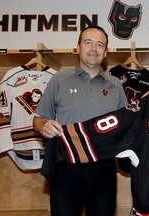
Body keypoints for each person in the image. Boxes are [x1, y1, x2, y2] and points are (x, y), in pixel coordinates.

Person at [33, 25, 127, 216]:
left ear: (106, 52)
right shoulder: (58, 80)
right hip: (66, 166)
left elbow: (125, 127)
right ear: (77, 47)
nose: (94, 48)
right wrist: (44, 127)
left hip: (104, 168)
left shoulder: (116, 84)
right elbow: (38, 119)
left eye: (100, 44)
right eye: (88, 42)